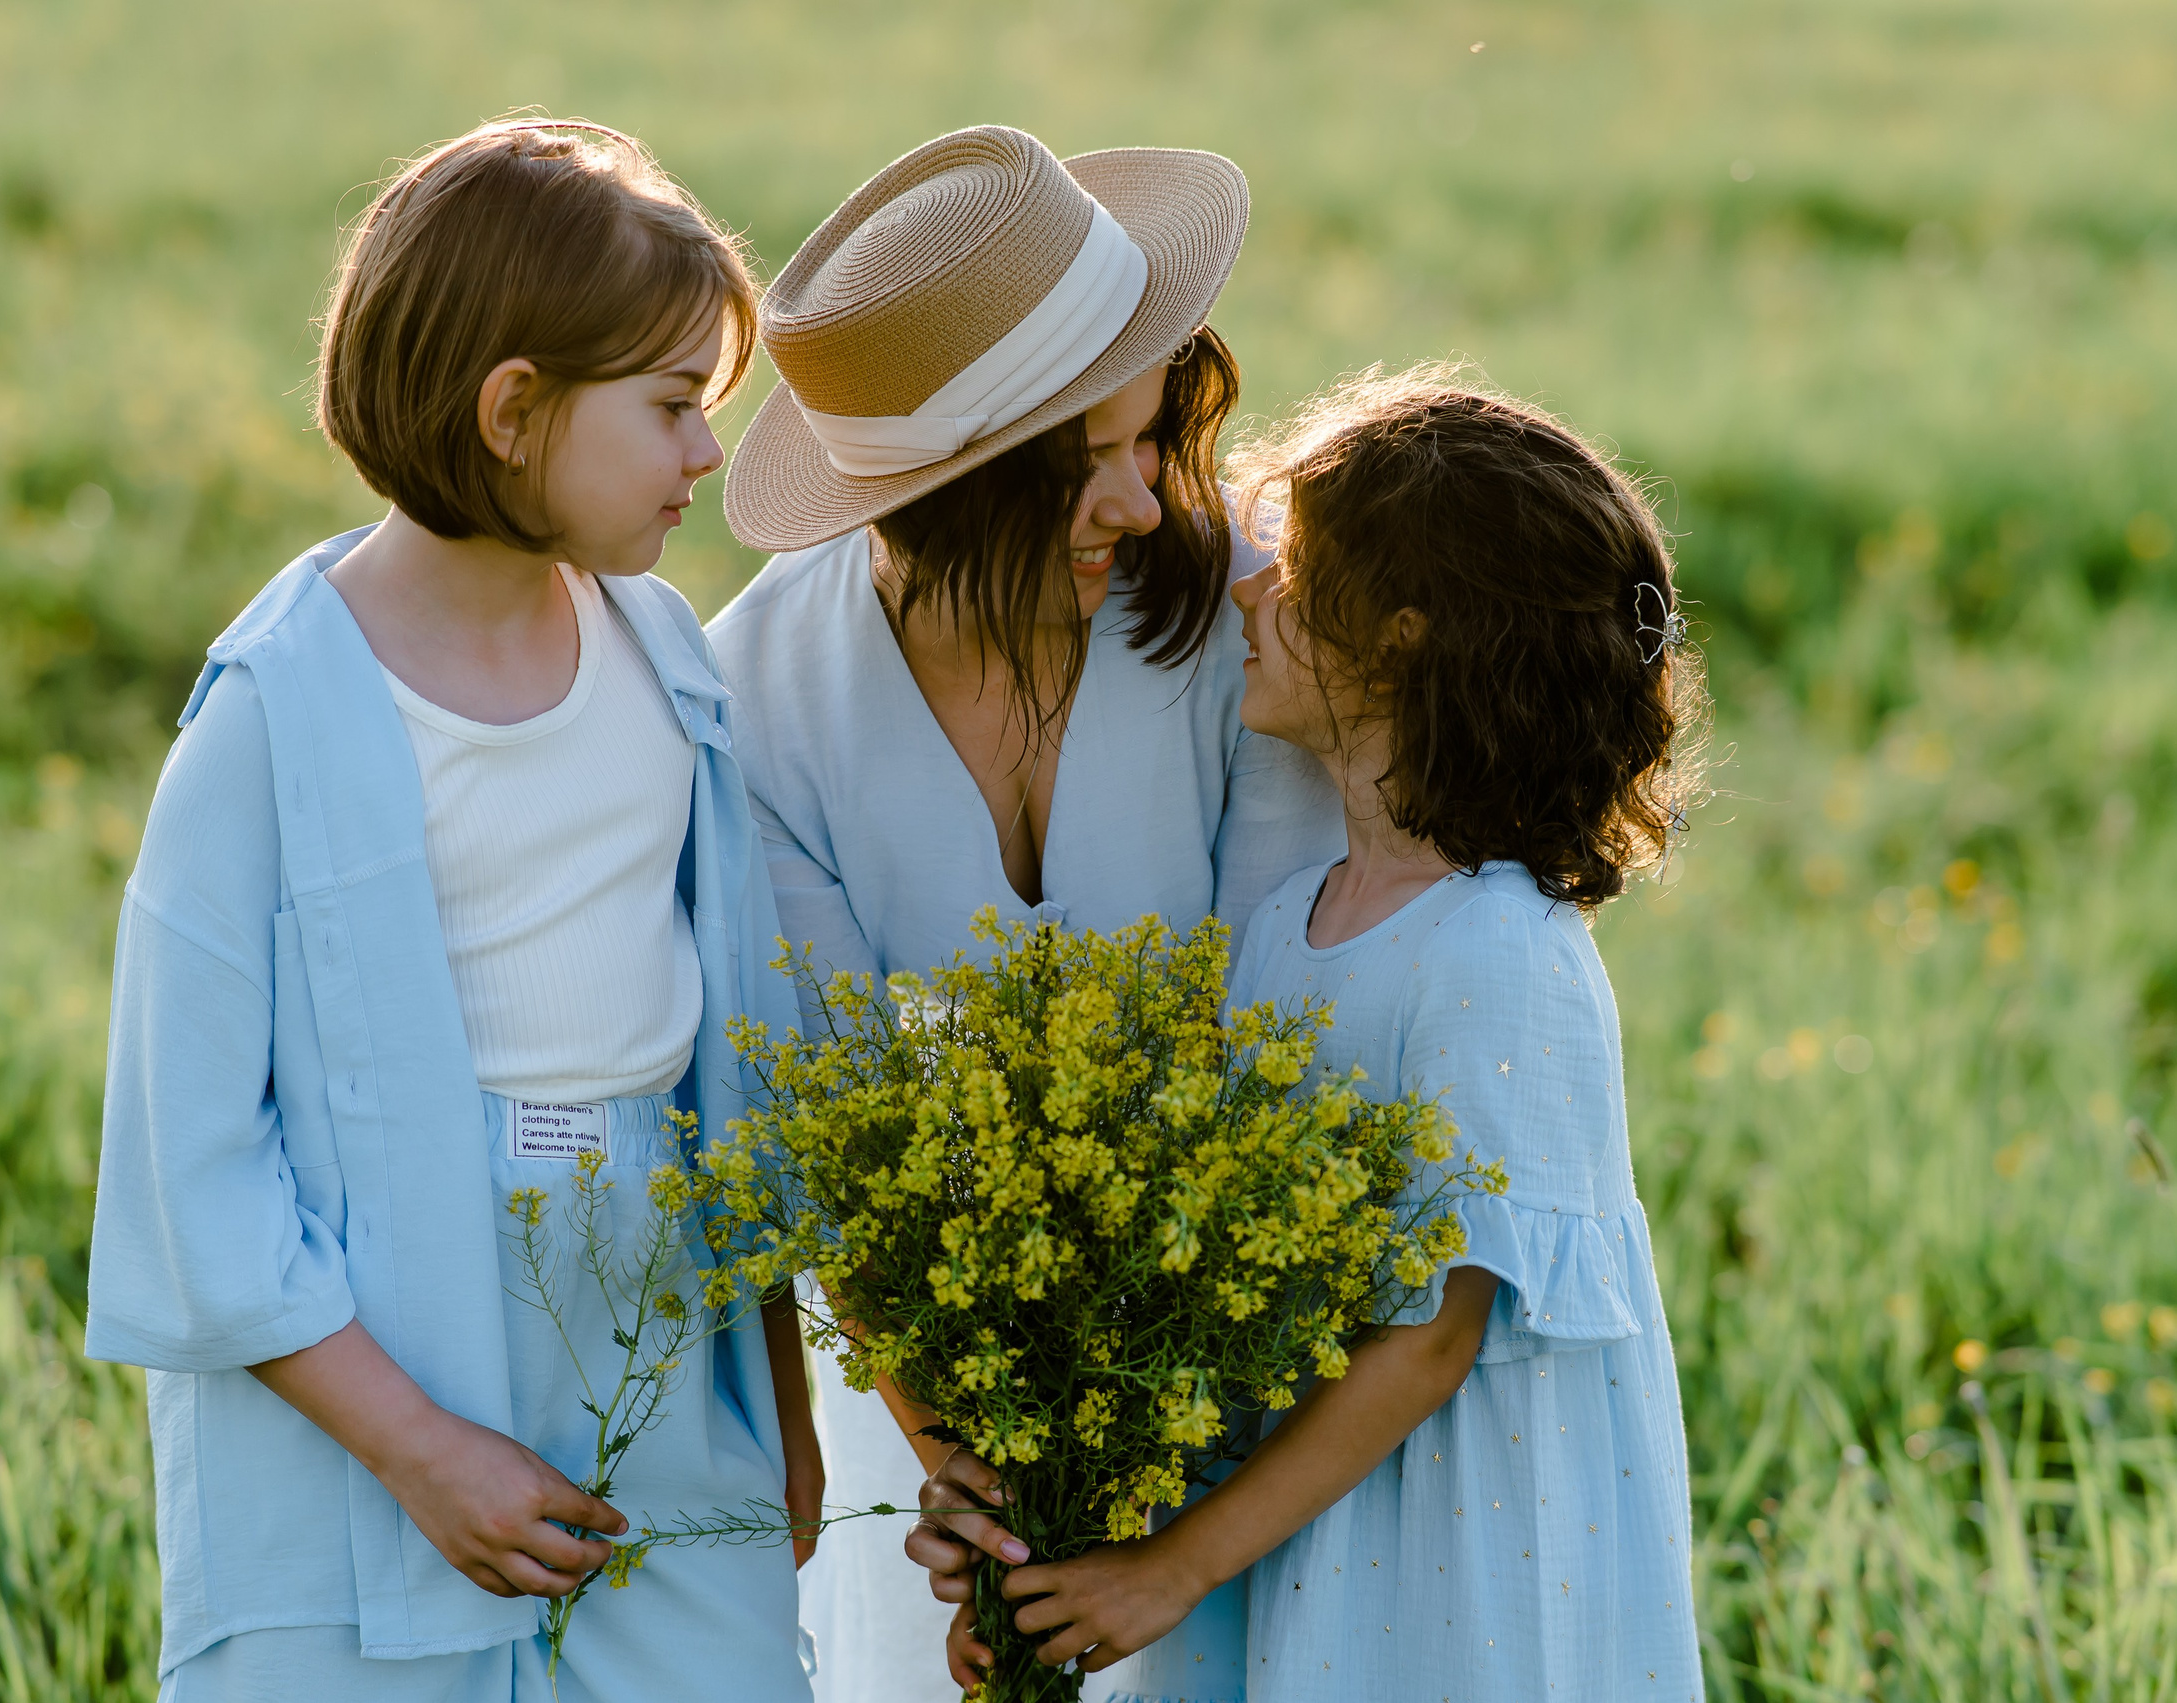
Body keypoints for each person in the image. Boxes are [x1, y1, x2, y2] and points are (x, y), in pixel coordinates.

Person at [83, 119, 818, 1702]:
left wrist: (784, 1408)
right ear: (511, 411)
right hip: (377, 1364)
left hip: (656, 1329)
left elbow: (729, 1062)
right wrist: (419, 1451)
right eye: (676, 408)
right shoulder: (275, 717)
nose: (708, 458)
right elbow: (188, 1153)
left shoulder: (664, 656)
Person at [706, 126, 1340, 1703]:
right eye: (1088, 463)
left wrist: (1157, 1406)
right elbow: (835, 1121)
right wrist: (970, 1478)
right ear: (953, 491)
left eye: (1149, 441)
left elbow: (1286, 1009)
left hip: (1237, 1332)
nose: (1142, 499)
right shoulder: (759, 696)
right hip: (937, 1348)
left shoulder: (1237, 623)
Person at [958, 367, 1708, 1700]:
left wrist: (1174, 1567)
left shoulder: (1498, 950)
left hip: (1452, 1544)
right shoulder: (1288, 927)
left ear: (1403, 637)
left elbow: (1435, 1335)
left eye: (1291, 580)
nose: (1248, 590)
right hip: (1297, 1509)